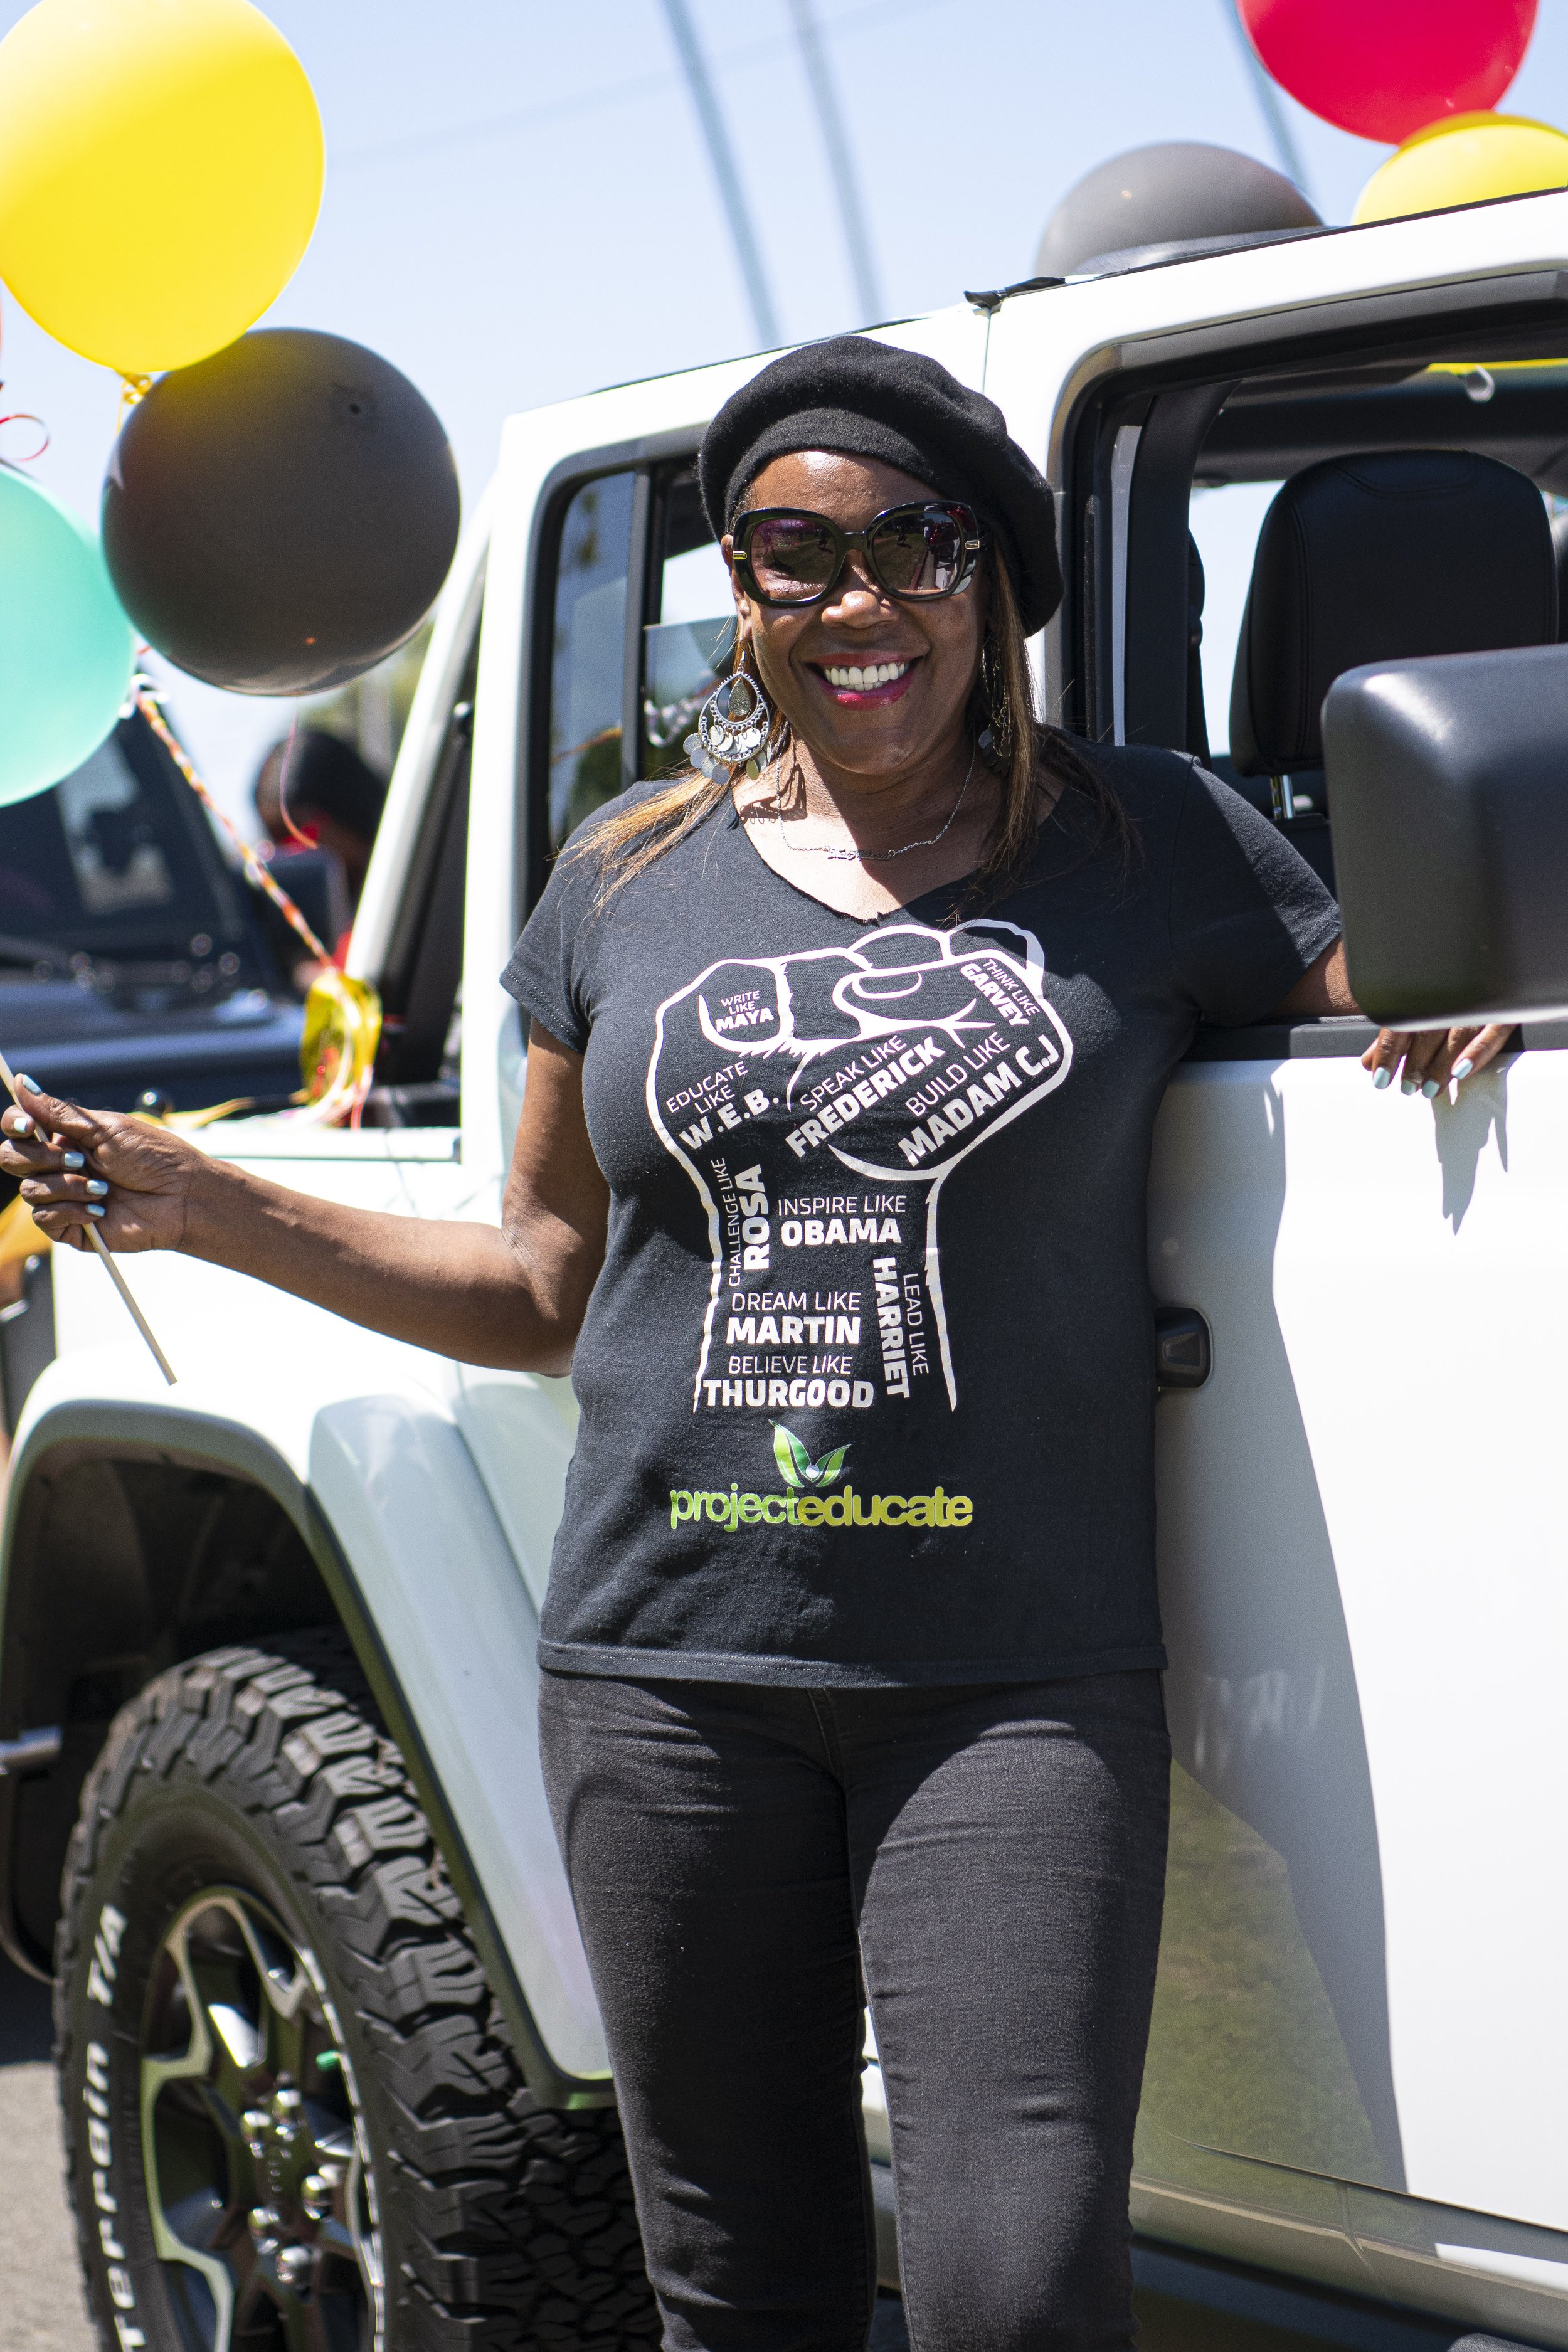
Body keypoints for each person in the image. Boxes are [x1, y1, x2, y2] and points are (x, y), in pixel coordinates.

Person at [0, 338, 1511, 2352]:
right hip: (661, 1685)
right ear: (740, 592)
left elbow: (1405, 960)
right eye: (790, 554)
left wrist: (1467, 989)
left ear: (990, 583)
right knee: (738, 2289)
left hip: (1010, 1686)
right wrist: (205, 1201)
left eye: (911, 544)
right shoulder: (623, 874)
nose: (855, 601)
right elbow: (541, 1277)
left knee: (1012, 2289)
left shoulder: (1150, 844)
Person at [252, 726, 388, 987]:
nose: (293, 855)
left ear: (351, 812)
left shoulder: (406, 898)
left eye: (301, 833)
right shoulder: (285, 924)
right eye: (277, 844)